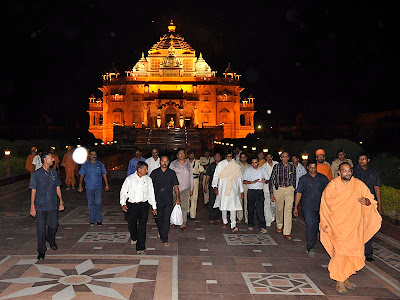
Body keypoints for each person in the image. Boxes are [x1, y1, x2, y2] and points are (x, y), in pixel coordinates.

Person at [320, 162, 381, 295]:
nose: (347, 173)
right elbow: (324, 205)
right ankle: (340, 281)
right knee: (340, 253)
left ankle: (346, 277)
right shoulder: (332, 186)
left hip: (354, 227)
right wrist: (324, 222)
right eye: (344, 171)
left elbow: (370, 199)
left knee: (352, 253)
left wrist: (367, 202)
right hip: (338, 227)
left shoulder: (359, 184)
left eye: (349, 171)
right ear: (339, 172)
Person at [29, 152, 65, 259]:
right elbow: (33, 190)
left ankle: (50, 238)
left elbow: (57, 187)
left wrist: (61, 201)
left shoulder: (54, 173)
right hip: (40, 205)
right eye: (51, 158)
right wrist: (32, 206)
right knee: (41, 229)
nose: (53, 160)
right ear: (45, 160)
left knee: (54, 225)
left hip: (52, 204)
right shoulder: (37, 174)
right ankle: (41, 250)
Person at [293, 160, 329, 257]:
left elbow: (329, 192)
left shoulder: (323, 178)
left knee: (320, 227)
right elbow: (299, 193)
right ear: (308, 168)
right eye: (311, 167)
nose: (313, 169)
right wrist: (295, 207)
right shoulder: (303, 179)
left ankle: (324, 244)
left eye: (315, 167)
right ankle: (311, 247)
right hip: (308, 207)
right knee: (310, 226)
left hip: (321, 207)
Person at [120, 161, 157, 255]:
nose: (147, 171)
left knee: (142, 226)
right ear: (139, 170)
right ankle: (134, 236)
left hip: (143, 205)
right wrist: (123, 203)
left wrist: (154, 207)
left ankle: (140, 247)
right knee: (131, 224)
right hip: (131, 205)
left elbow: (151, 194)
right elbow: (123, 192)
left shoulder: (148, 179)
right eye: (145, 169)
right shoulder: (130, 179)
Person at [353, 151, 382, 262]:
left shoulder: (373, 171)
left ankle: (368, 253)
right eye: (360, 159)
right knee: (356, 228)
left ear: (368, 160)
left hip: (370, 204)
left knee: (369, 226)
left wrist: (379, 204)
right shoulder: (354, 171)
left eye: (364, 159)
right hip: (357, 203)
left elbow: (377, 188)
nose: (361, 161)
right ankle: (357, 251)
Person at [150, 156, 180, 246]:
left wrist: (178, 198)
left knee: (166, 219)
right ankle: (161, 230)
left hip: (168, 199)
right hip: (157, 200)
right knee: (158, 218)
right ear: (160, 162)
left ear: (168, 162)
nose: (164, 162)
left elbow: (175, 186)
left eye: (166, 161)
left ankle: (164, 238)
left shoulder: (172, 173)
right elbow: (150, 186)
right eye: (163, 161)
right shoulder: (154, 173)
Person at [212, 149, 244, 232]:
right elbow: (216, 176)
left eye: (230, 156)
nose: (229, 158)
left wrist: (241, 190)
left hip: (233, 189)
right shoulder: (221, 164)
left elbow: (239, 178)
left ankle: (233, 224)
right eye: (227, 157)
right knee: (224, 206)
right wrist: (215, 186)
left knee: (233, 207)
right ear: (225, 156)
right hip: (223, 188)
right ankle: (225, 221)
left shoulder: (236, 165)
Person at [269, 151, 296, 239]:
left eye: (286, 157)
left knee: (288, 210)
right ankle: (279, 225)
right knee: (279, 209)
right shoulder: (276, 167)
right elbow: (271, 180)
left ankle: (287, 232)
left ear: (288, 158)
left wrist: (293, 188)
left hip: (289, 189)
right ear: (280, 158)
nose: (285, 158)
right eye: (283, 157)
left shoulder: (292, 167)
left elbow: (294, 178)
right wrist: (271, 193)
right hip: (279, 189)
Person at [78, 150, 110, 226]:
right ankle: (92, 220)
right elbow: (81, 175)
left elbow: (104, 174)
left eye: (95, 154)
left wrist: (106, 184)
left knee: (98, 202)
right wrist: (80, 185)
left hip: (98, 187)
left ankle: (99, 220)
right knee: (91, 203)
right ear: (89, 156)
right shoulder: (85, 165)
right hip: (89, 187)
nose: (94, 156)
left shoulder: (100, 164)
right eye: (92, 154)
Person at [242, 157, 269, 233]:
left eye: (256, 162)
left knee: (260, 209)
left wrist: (265, 181)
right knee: (250, 208)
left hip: (260, 191)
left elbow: (268, 179)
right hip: (251, 191)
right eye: (253, 162)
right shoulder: (248, 170)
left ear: (258, 163)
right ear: (251, 163)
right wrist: (251, 182)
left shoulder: (262, 170)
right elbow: (244, 180)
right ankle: (251, 224)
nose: (254, 164)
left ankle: (262, 226)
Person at [170, 148, 194, 231]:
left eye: (183, 153)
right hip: (175, 188)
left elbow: (191, 176)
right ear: (177, 155)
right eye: (180, 153)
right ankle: (174, 220)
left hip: (186, 188)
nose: (182, 155)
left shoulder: (188, 164)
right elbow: (170, 176)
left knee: (184, 206)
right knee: (174, 204)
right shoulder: (173, 164)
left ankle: (183, 223)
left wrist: (192, 188)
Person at [204, 152, 222, 223]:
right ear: (214, 157)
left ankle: (218, 216)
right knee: (212, 201)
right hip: (212, 186)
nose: (217, 157)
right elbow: (207, 176)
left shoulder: (223, 165)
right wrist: (205, 185)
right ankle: (211, 217)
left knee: (220, 202)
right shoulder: (211, 166)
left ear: (221, 157)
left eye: (218, 156)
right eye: (216, 156)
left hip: (221, 186)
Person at [262, 152, 278, 226]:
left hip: (276, 188)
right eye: (267, 157)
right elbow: (263, 178)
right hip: (266, 188)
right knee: (266, 204)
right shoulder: (263, 166)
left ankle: (273, 215)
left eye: (270, 157)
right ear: (266, 158)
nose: (269, 158)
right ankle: (268, 221)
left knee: (274, 205)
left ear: (272, 157)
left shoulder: (277, 164)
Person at [188, 149, 204, 220]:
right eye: (190, 154)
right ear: (188, 155)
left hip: (195, 180)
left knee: (194, 198)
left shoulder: (197, 162)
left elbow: (202, 172)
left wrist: (200, 182)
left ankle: (192, 215)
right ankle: (187, 212)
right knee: (186, 197)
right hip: (187, 181)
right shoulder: (185, 162)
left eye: (193, 154)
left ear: (195, 155)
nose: (191, 156)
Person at [291, 153, 307, 220]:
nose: (294, 160)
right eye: (292, 159)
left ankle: (297, 213)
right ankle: (292, 215)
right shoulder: (290, 167)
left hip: (299, 187)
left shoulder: (301, 167)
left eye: (295, 158)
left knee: (298, 201)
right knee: (291, 201)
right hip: (291, 187)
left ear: (297, 159)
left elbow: (305, 176)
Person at [237, 152, 251, 224]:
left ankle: (247, 218)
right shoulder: (237, 166)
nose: (243, 158)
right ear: (239, 158)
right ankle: (239, 217)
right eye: (241, 157)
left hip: (247, 186)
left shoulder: (249, 166)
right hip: (239, 185)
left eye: (244, 157)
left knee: (247, 202)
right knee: (239, 201)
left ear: (246, 158)